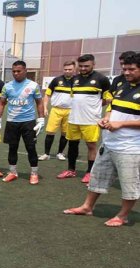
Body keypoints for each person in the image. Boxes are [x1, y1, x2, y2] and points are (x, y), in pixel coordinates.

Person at [63, 53, 140, 227]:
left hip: (131, 147)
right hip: (110, 142)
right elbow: (112, 106)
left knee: (129, 183)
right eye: (125, 69)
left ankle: (123, 216)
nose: (126, 72)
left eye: (131, 69)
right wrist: (106, 118)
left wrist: (121, 124)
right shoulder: (123, 85)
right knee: (97, 177)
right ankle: (87, 207)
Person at [57, 54, 112, 183]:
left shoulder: (102, 79)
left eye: (86, 66)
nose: (83, 68)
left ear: (93, 64)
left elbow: (107, 99)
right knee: (72, 145)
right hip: (73, 119)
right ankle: (71, 170)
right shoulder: (74, 79)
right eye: (80, 66)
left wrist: (95, 108)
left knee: (91, 146)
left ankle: (89, 172)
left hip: (91, 120)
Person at [0, 60, 45, 185]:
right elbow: (1, 103)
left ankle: (34, 173)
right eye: (14, 71)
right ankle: (12, 172)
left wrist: (41, 119)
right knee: (12, 148)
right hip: (12, 122)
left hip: (28, 122)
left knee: (31, 148)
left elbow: (39, 102)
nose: (16, 73)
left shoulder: (33, 85)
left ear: (25, 71)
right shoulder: (7, 86)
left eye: (19, 71)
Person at [38, 60, 75, 161]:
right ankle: (46, 154)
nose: (67, 71)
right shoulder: (56, 80)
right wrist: (45, 107)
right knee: (50, 132)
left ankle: (60, 153)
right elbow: (47, 95)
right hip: (56, 110)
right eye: (65, 69)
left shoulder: (78, 81)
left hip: (70, 111)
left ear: (74, 69)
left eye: (70, 69)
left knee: (65, 133)